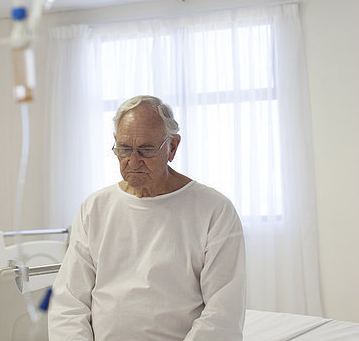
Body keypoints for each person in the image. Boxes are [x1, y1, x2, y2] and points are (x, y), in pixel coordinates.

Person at [48, 95, 246, 341]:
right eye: (124, 149)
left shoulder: (214, 210)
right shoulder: (95, 208)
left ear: (172, 146)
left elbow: (223, 311)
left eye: (146, 149)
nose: (133, 161)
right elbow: (69, 301)